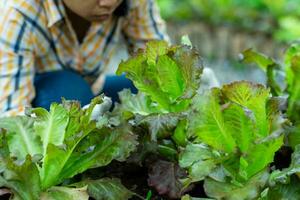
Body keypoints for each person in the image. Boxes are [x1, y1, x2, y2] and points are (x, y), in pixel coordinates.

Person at [0, 0, 169, 116]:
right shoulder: (19, 10)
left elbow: (159, 65)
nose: (108, 3)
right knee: (67, 88)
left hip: (92, 88)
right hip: (42, 103)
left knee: (153, 86)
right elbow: (12, 114)